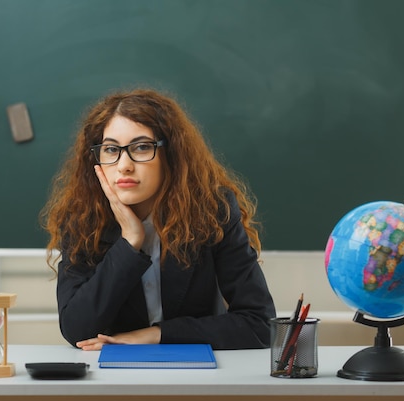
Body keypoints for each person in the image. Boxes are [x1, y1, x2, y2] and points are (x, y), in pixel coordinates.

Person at [41, 88, 276, 351]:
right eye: (110, 150)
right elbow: (76, 329)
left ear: (171, 155)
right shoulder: (83, 218)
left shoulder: (213, 211)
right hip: (114, 378)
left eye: (141, 147)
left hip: (201, 377)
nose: (124, 165)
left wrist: (156, 335)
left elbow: (260, 324)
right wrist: (130, 242)